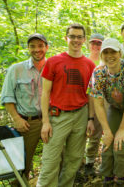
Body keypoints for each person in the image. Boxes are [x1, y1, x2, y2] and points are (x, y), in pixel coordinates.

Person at [37, 23, 96, 187]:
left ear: (84, 40)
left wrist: (90, 119)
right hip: (58, 116)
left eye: (79, 37)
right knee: (50, 161)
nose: (76, 40)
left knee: (73, 161)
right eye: (72, 36)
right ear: (66, 38)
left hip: (81, 115)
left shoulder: (90, 65)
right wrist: (45, 122)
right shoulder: (54, 61)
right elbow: (45, 93)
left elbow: (90, 95)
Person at [87, 38, 124, 186]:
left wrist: (122, 129)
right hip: (115, 109)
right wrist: (107, 130)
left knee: (121, 144)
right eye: (106, 52)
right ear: (101, 55)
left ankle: (122, 179)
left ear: (120, 53)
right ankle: (107, 178)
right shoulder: (98, 73)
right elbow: (98, 103)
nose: (110, 56)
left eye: (113, 52)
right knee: (108, 143)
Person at [0, 33, 48, 180]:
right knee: (21, 166)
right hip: (28, 123)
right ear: (28, 48)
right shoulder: (16, 69)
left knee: (58, 158)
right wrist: (16, 119)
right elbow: (7, 97)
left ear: (46, 47)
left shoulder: (54, 67)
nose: (37, 49)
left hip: (51, 120)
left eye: (40, 45)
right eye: (32, 46)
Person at [84, 33, 105, 176]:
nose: (96, 46)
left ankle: (90, 163)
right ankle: (79, 163)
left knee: (96, 135)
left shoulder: (106, 62)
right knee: (80, 135)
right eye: (94, 43)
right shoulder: (83, 61)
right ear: (89, 45)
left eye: (99, 43)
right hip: (83, 104)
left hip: (102, 103)